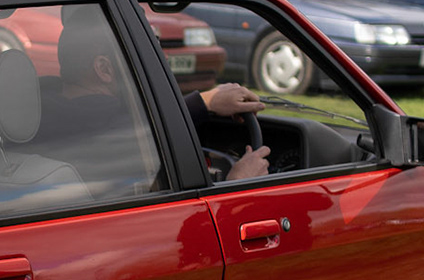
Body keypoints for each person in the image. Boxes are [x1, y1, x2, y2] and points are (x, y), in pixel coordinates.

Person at [44, 19, 270, 181]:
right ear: (104, 68)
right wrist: (238, 181)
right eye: (145, 54)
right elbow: (137, 129)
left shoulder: (43, 112)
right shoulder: (106, 129)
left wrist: (205, 102)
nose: (162, 61)